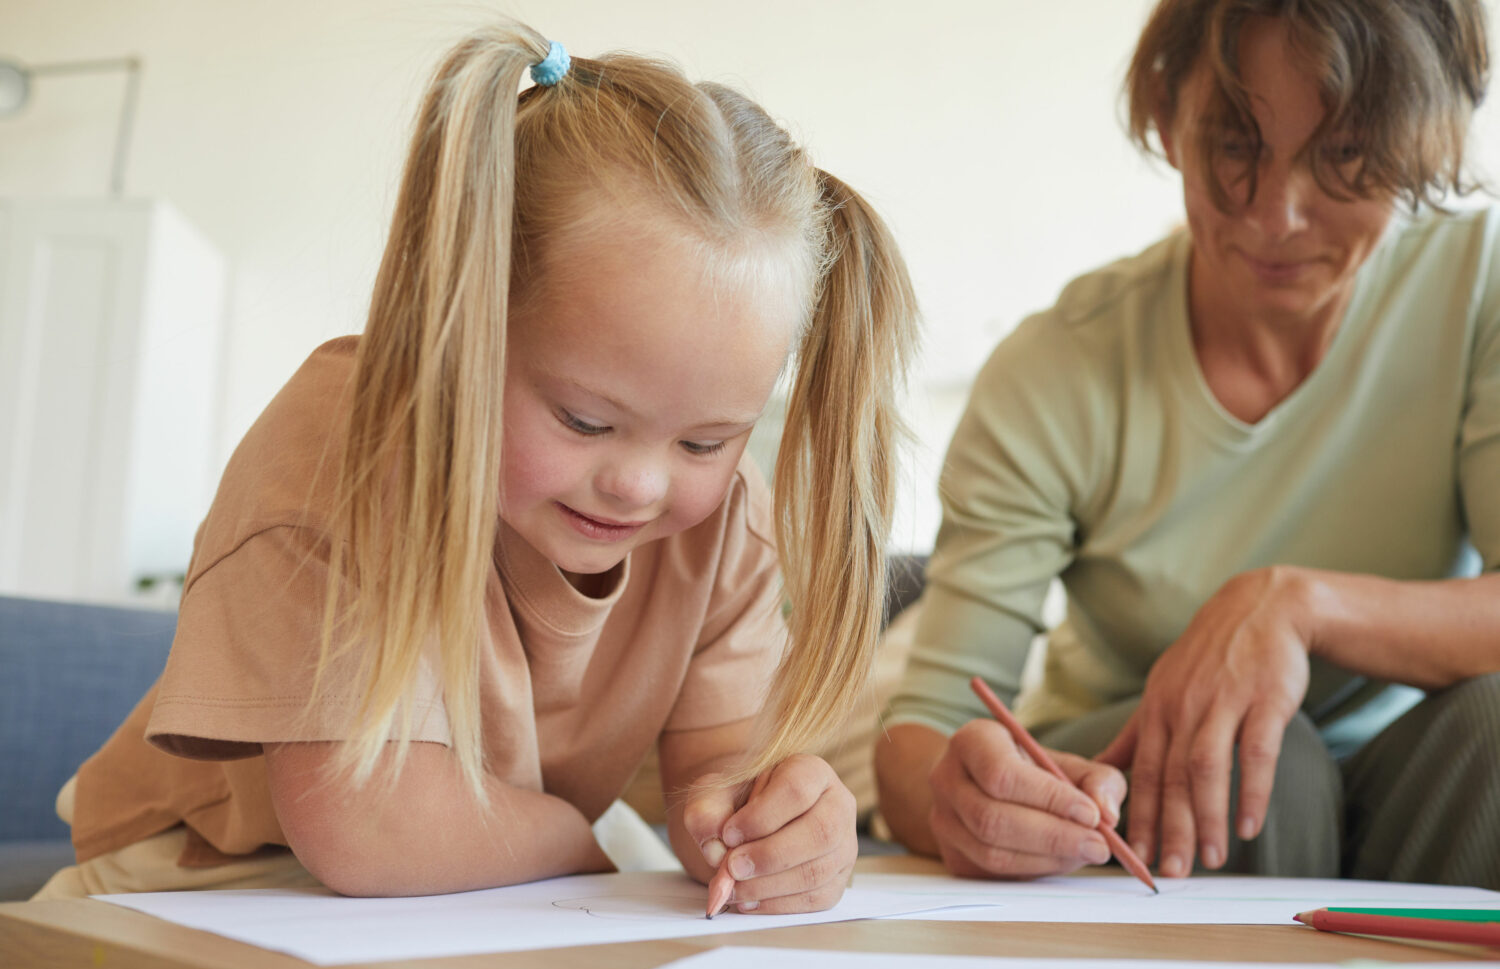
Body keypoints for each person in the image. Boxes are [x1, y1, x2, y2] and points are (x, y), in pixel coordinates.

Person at [34, 22, 918, 910]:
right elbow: (372, 829)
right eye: (584, 419)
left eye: (705, 442)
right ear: (461, 326)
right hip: (203, 873)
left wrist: (762, 830)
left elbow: (715, 779)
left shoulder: (726, 522)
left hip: (499, 866)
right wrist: (588, 838)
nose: (641, 485)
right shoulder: (341, 443)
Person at [875, 0, 1500, 889]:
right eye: (1237, 147)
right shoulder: (1059, 369)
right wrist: (955, 800)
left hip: (1415, 776)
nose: (1278, 215)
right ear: (1168, 118)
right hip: (1146, 797)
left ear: (1425, 140)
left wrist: (1298, 605)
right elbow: (926, 728)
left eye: (1346, 157)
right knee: (1253, 755)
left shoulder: (1479, 285)